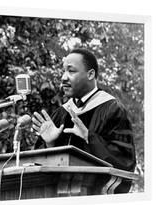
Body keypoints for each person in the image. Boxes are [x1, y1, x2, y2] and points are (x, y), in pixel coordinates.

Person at [31, 48, 136, 193]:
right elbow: (36, 168)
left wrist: (89, 137)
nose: (63, 78)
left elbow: (125, 162)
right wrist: (50, 144)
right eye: (64, 71)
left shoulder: (112, 109)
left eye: (71, 71)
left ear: (91, 74)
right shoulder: (62, 112)